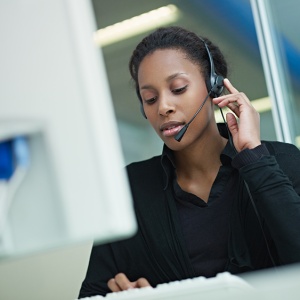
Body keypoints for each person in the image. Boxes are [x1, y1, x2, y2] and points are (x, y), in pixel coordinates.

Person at [78, 26, 300, 298]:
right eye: (150, 98)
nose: (163, 107)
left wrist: (254, 157)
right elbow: (91, 294)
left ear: (214, 86)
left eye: (178, 88)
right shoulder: (131, 189)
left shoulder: (282, 161)